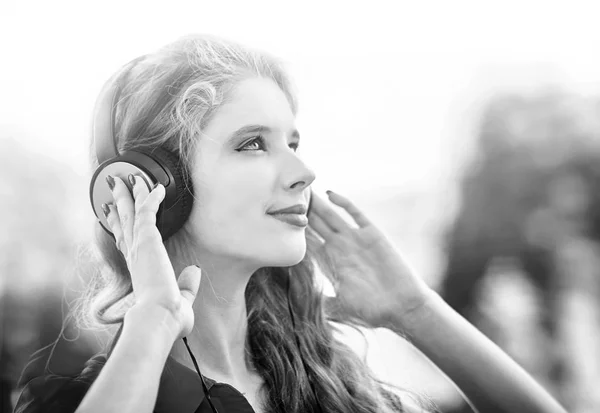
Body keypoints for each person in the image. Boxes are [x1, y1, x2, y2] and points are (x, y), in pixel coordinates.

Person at [13, 34, 567, 413]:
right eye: (253, 143)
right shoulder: (87, 398)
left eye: (293, 142)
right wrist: (154, 321)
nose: (303, 172)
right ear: (151, 185)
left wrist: (414, 312)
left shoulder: (326, 379)